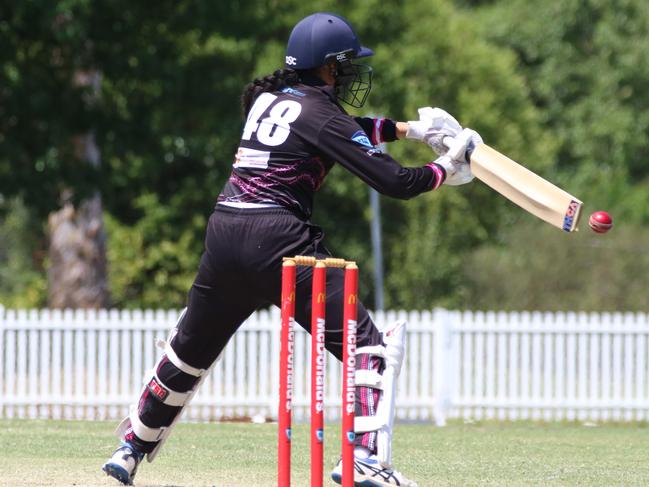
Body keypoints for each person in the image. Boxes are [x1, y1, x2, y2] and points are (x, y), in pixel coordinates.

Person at [102, 11, 482, 487]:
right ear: (330, 67)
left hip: (224, 233)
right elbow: (395, 181)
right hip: (278, 239)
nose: (351, 75)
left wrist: (411, 129)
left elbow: (342, 131)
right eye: (347, 66)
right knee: (370, 348)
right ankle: (364, 463)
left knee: (189, 351)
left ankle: (130, 448)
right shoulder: (322, 116)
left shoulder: (267, 100)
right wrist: (446, 166)